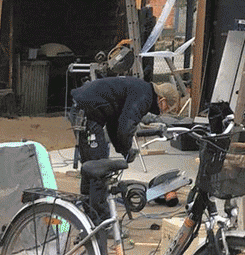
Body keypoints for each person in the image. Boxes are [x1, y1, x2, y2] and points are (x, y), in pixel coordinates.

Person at [70, 76, 172, 222]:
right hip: (87, 114)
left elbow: (114, 124)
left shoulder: (141, 90)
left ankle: (89, 220)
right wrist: (127, 149)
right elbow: (125, 128)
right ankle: (102, 224)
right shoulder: (145, 97)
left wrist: (123, 150)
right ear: (162, 100)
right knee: (98, 170)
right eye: (167, 108)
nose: (164, 112)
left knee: (91, 168)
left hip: (86, 111)